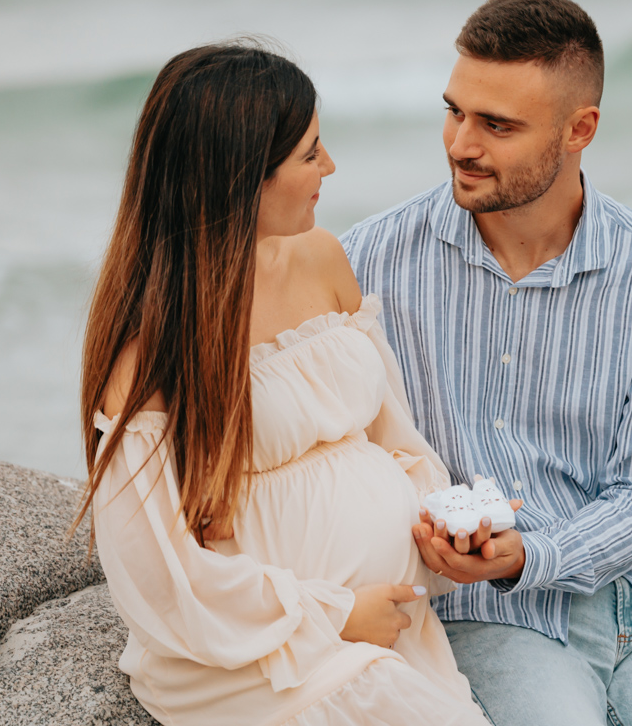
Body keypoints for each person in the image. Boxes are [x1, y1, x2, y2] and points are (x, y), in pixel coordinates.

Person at [341, 0, 632, 725]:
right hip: (483, 612)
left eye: (497, 125)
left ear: (579, 129)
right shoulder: (367, 263)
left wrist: (533, 554)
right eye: (455, 111)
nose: (461, 144)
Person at [74, 42, 491, 726]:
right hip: (261, 655)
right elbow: (160, 576)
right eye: (309, 153)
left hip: (385, 626)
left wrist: (442, 520)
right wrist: (334, 615)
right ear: (243, 177)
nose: (330, 166)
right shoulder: (149, 350)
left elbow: (390, 435)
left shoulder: (321, 257)